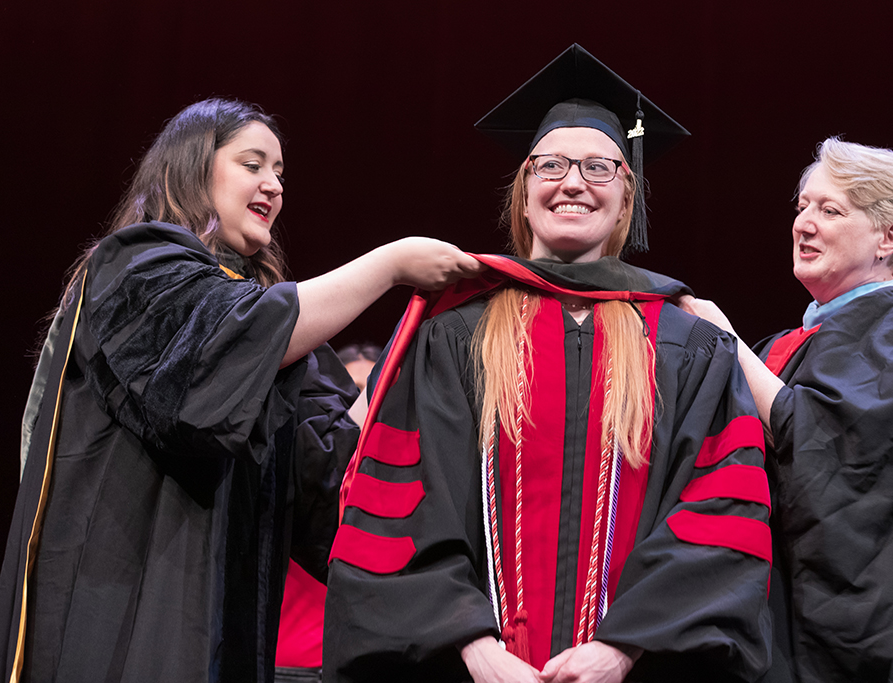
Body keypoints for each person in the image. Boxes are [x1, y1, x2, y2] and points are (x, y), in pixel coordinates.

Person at [0, 98, 482, 683]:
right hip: (125, 601)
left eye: (279, 173)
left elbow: (331, 470)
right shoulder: (137, 267)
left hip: (226, 626)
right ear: (194, 166)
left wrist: (419, 351)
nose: (273, 185)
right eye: (253, 164)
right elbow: (214, 357)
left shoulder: (266, 327)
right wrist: (390, 264)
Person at [327, 45, 773, 683]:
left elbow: (720, 512)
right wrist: (475, 648)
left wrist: (622, 649)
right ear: (524, 190)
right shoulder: (456, 336)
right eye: (552, 164)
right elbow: (405, 502)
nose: (573, 182)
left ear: (627, 195)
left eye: (599, 167)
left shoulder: (687, 344)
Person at [680, 138, 893, 682]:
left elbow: (838, 459)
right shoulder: (797, 342)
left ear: (889, 237)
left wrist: (725, 340)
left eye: (830, 210)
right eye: (802, 207)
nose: (804, 224)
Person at [274, 344, 381, 683]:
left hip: (351, 666)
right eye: (355, 391)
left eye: (370, 390)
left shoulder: (383, 489)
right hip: (283, 668)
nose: (364, 405)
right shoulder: (299, 463)